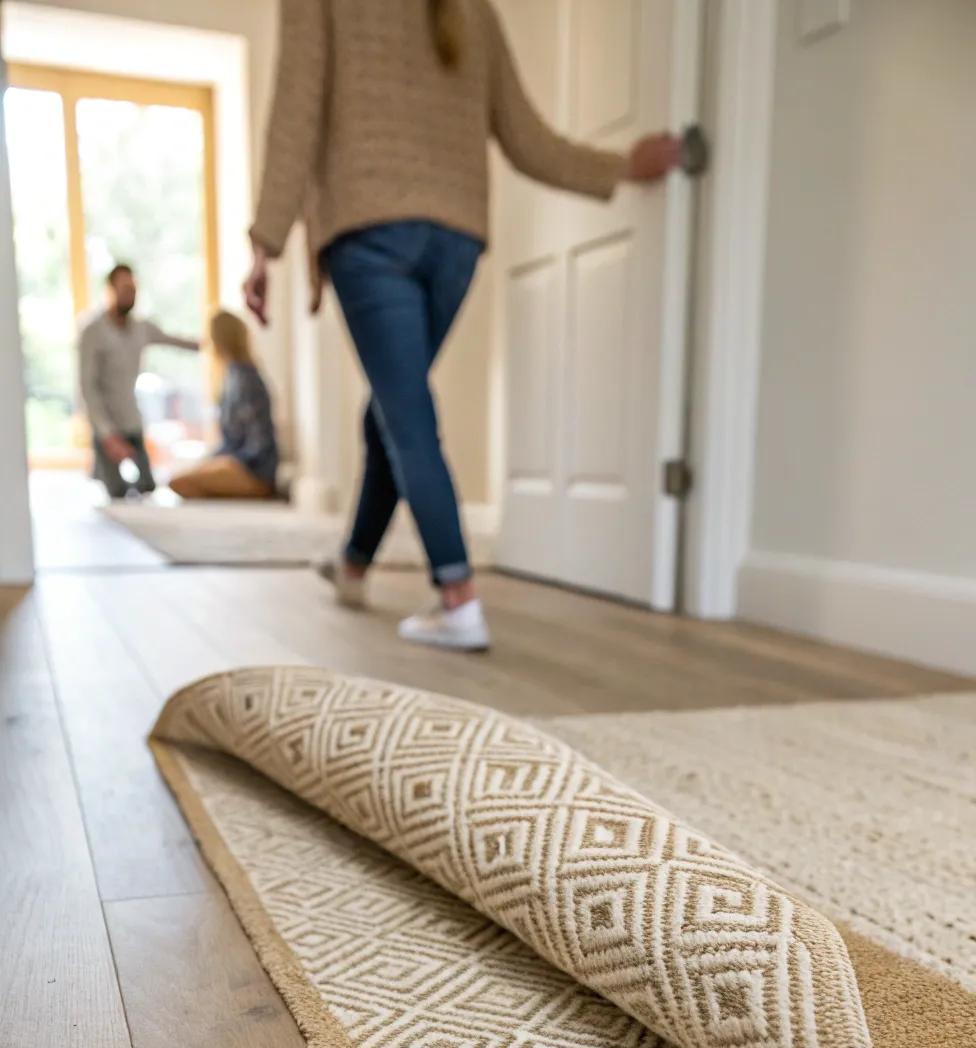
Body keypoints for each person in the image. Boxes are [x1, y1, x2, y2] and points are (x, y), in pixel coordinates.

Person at [243, 0, 681, 653]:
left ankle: (458, 599)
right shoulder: (471, 7)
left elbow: (295, 109)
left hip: (369, 227)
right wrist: (620, 165)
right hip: (455, 239)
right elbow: (528, 138)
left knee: (406, 413)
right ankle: (354, 565)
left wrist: (265, 242)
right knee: (394, 407)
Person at [78, 263, 199, 499]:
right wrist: (107, 434)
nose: (130, 295)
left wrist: (213, 343)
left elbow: (174, 340)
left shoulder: (141, 328)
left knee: (147, 486)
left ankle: (103, 470)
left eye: (133, 290)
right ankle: (101, 468)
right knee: (117, 492)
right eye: (125, 289)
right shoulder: (93, 331)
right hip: (107, 424)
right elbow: (87, 387)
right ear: (111, 290)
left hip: (131, 419)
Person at [169, 310, 279, 500]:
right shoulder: (231, 376)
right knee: (183, 478)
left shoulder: (245, 379)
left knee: (181, 483)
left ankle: (250, 491)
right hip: (236, 460)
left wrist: (229, 462)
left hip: (254, 470)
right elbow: (231, 439)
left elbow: (259, 443)